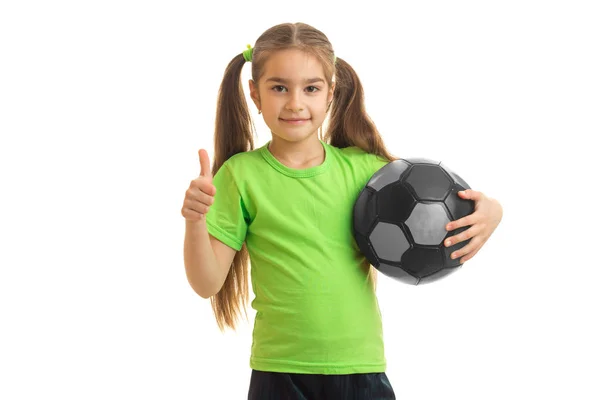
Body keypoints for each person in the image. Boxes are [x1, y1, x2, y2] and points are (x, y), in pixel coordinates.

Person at [181, 22, 503, 400]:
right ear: (255, 93)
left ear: (331, 93)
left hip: (360, 370)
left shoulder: (368, 172)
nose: (295, 102)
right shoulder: (240, 176)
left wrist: (493, 211)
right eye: (279, 87)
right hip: (280, 372)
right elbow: (207, 284)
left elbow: (435, 201)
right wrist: (195, 222)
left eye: (311, 88)